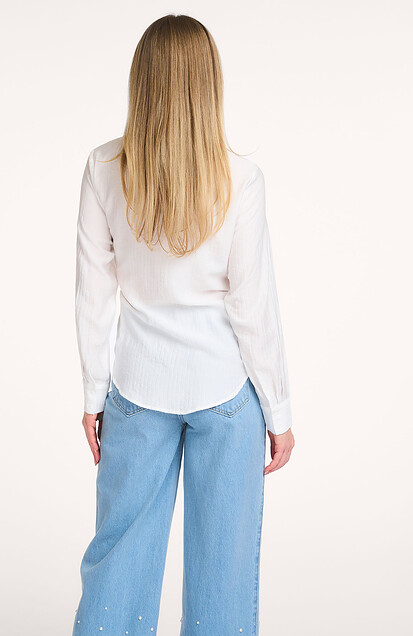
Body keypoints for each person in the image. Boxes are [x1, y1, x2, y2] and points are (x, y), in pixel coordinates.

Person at [72, 13, 295, 636]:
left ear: (140, 81)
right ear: (210, 83)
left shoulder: (103, 167)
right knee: (223, 583)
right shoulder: (240, 179)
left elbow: (93, 296)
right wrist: (278, 411)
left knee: (118, 568)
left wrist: (92, 396)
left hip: (136, 391)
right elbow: (253, 306)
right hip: (225, 395)